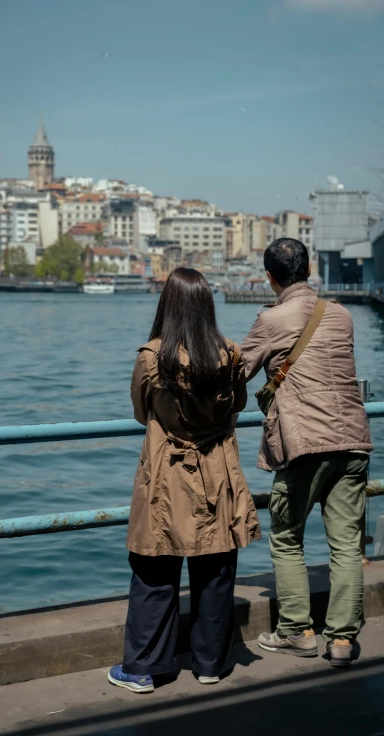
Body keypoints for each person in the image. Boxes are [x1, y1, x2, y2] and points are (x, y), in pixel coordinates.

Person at [109, 267, 261, 693]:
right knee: (215, 567)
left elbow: (142, 412)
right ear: (207, 304)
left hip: (167, 474)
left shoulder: (152, 356)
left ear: (167, 304)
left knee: (154, 568)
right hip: (217, 469)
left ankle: (143, 668)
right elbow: (236, 408)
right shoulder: (229, 353)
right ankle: (211, 662)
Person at [240, 238, 373, 668]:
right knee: (347, 545)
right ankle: (340, 641)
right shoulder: (341, 314)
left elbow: (237, 372)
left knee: (286, 536)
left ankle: (296, 631)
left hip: (303, 443)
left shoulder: (270, 319)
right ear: (310, 268)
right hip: (352, 439)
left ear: (269, 276)